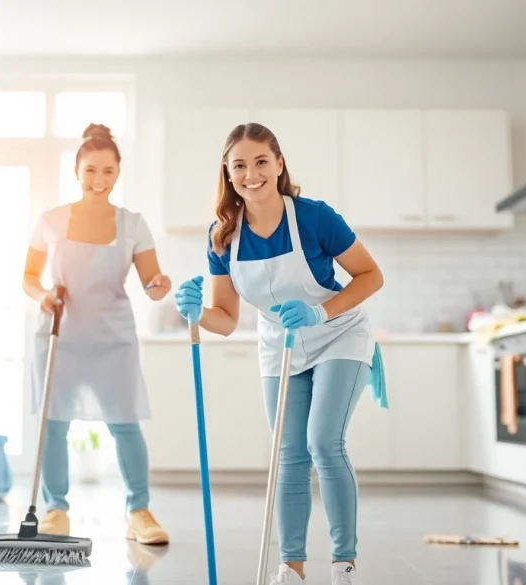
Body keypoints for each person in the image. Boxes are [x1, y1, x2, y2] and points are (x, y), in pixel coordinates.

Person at [173, 123, 387, 585]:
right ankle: (291, 568)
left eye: (261, 162)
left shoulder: (314, 217)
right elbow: (225, 320)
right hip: (279, 344)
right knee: (288, 454)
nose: (252, 174)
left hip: (338, 334)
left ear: (279, 163)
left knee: (324, 442)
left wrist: (319, 311)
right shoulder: (222, 236)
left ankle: (343, 564)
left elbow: (371, 276)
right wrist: (195, 314)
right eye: (240, 166)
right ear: (228, 175)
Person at [24, 123, 172, 545]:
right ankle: (56, 510)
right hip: (60, 336)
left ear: (118, 173)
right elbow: (29, 277)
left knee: (125, 424)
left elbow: (151, 281)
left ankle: (139, 512)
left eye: (108, 172)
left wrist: (160, 285)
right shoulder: (50, 221)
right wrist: (43, 296)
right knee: (54, 424)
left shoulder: (133, 225)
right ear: (77, 170)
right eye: (91, 170)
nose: (99, 180)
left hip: (113, 340)